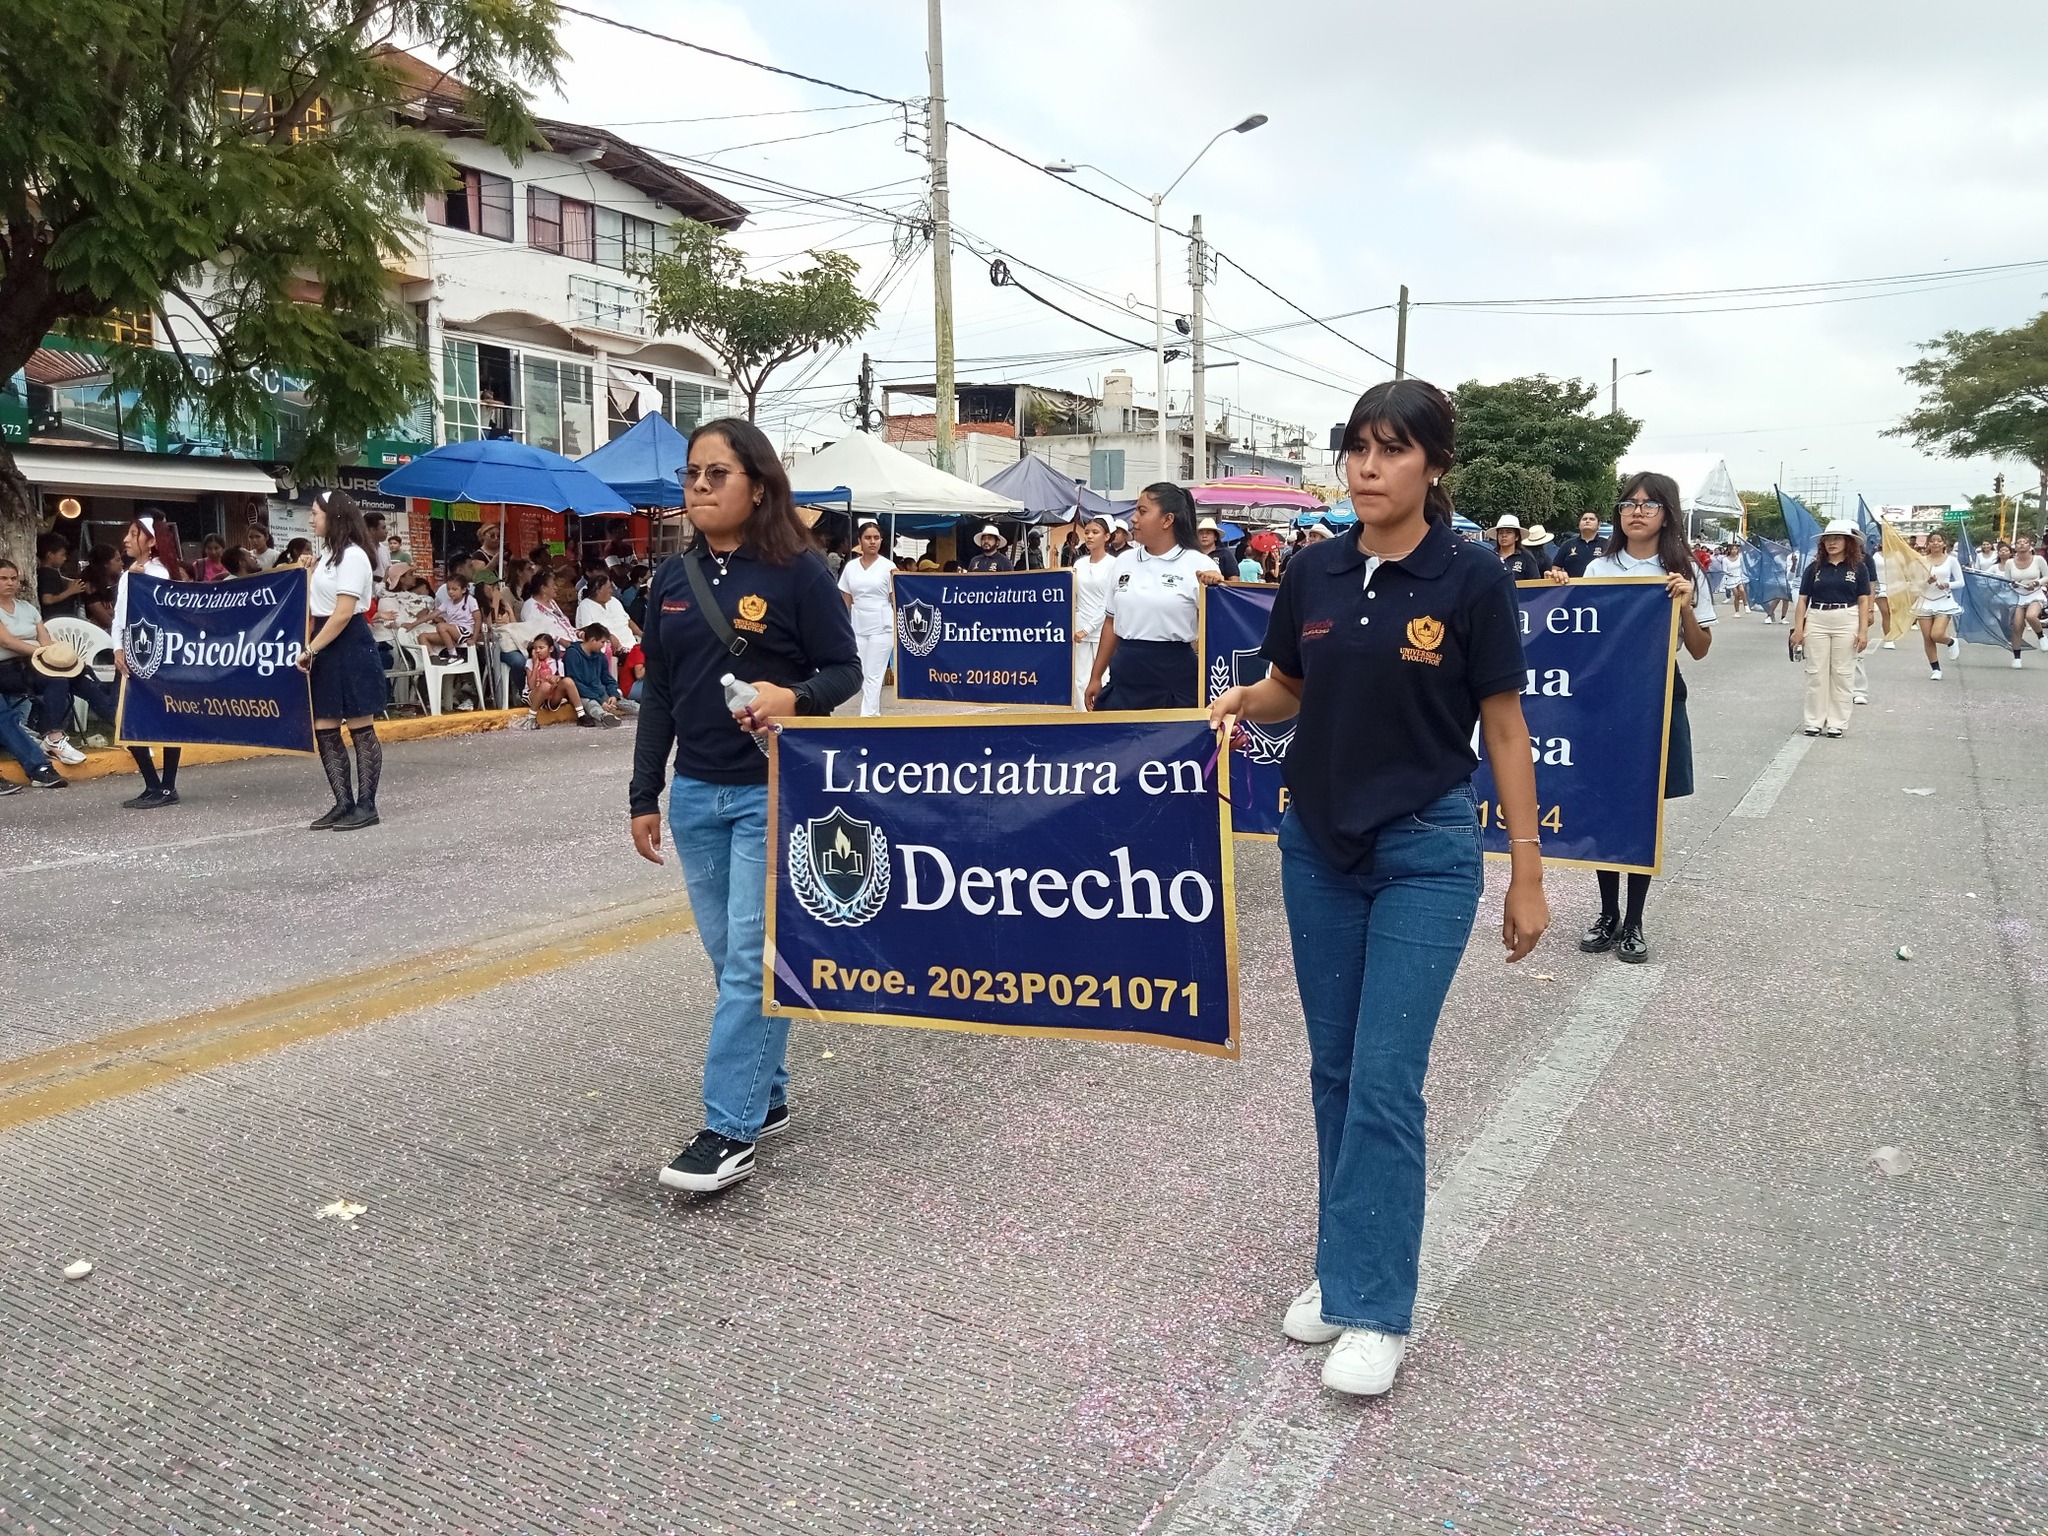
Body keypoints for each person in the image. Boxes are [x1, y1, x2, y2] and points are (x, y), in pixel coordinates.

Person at [1208, 379, 1549, 1399]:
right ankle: (1343, 1264)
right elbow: (1290, 690)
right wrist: (1240, 699)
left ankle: (1375, 1306)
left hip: (1425, 852)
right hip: (1314, 846)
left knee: (1385, 1080)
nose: (1365, 467)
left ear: (1433, 466)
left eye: (1390, 449)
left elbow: (1502, 728)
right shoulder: (1310, 569)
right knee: (1332, 1073)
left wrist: (1524, 876)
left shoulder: (1470, 577)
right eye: (1355, 447)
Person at [628, 418, 859, 1195]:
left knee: (750, 969)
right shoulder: (668, 582)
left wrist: (789, 695)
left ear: (756, 485)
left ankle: (727, 1130)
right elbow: (657, 694)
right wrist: (644, 793)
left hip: (775, 792)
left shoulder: (801, 573)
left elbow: (844, 672)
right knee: (729, 958)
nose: (697, 487)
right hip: (694, 793)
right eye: (691, 474)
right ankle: (770, 1091)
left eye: (715, 474)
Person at [1571, 473, 1713, 962]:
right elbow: (1577, 638)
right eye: (1629, 503)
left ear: (1667, 513)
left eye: (1649, 504)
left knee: (1643, 811)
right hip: (1603, 701)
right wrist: (1555, 596)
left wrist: (1685, 606)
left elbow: (1699, 649)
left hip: (1657, 696)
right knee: (1606, 807)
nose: (1637, 511)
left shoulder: (1685, 570)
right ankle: (1607, 913)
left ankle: (1634, 923)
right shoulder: (1598, 569)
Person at [294, 491, 387, 831]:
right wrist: (306, 574)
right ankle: (343, 802)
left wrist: (311, 649)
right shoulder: (328, 555)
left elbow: (344, 612)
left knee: (361, 727)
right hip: (324, 641)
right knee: (326, 727)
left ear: (334, 516)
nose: (310, 519)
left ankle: (367, 804)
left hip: (347, 643)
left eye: (315, 513)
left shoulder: (353, 556)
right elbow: (315, 604)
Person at [1085, 483, 1223, 711]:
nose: (1134, 518)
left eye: (1142, 511)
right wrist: (1096, 676)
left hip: (1173, 677)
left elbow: (1220, 630)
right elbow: (1111, 622)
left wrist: (1217, 587)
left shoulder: (1199, 565)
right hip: (1125, 673)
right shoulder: (1124, 562)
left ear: (1167, 520)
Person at [111, 515, 190, 807]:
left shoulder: (159, 574)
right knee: (125, 720)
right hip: (131, 655)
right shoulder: (131, 573)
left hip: (158, 657)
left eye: (134, 534)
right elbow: (120, 616)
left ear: (152, 541)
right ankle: (152, 784)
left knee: (167, 719)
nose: (127, 539)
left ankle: (167, 786)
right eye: (129, 533)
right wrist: (117, 647)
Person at [0, 558, 84, 781]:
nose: (9, 583)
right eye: (3, 578)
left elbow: (44, 638)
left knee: (64, 675)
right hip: (7, 668)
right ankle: (39, 767)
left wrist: (53, 655)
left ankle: (53, 736)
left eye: (13, 578)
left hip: (30, 664)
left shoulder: (27, 608)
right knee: (4, 717)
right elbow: (7, 642)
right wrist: (39, 651)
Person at [1789, 520, 1873, 737]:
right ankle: (1814, 721)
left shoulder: (1858, 568)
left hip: (1847, 618)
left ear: (1848, 542)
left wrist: (1863, 631)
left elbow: (1864, 600)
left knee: (1843, 673)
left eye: (1837, 539)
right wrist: (1799, 629)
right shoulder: (1814, 568)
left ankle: (1837, 723)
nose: (1832, 543)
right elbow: (1802, 601)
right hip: (1817, 617)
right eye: (1828, 539)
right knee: (1815, 671)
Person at [837, 519, 895, 716]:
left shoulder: (889, 566)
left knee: (874, 674)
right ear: (860, 541)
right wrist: (844, 627)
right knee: (860, 672)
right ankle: (873, 713)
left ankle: (868, 716)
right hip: (858, 625)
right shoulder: (851, 567)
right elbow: (846, 599)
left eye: (876, 538)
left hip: (882, 626)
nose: (872, 542)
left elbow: (895, 597)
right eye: (868, 538)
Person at [1069, 513, 1118, 710]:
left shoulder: (1114, 565)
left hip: (1103, 630)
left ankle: (1101, 718)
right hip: (1079, 629)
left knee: (1103, 677)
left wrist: (1088, 628)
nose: (1089, 536)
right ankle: (1081, 720)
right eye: (1087, 532)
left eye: (1095, 532)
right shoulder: (1079, 564)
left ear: (1107, 537)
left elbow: (1108, 603)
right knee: (1079, 679)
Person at [1915, 530, 1964, 680]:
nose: (1935, 543)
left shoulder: (1951, 560)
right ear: (1928, 544)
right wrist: (1926, 582)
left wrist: (1947, 584)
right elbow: (1915, 584)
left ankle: (1950, 641)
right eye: (1932, 541)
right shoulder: (1921, 561)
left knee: (1936, 634)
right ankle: (1935, 669)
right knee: (1927, 637)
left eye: (1938, 540)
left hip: (1944, 602)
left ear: (1944, 543)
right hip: (1925, 601)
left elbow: (1961, 582)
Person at [563, 624, 634, 722]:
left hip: (600, 693)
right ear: (592, 640)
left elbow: (608, 679)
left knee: (625, 703)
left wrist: (613, 694)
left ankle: (647, 712)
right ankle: (604, 717)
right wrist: (600, 700)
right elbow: (576, 682)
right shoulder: (572, 654)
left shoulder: (600, 656)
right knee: (591, 704)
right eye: (602, 642)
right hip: (582, 695)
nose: (603, 645)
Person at [1999, 534, 2047, 665]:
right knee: (2017, 626)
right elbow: (2007, 581)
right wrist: (2013, 584)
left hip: (2035, 594)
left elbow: (2046, 576)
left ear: (2030, 546)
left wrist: (2036, 583)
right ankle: (2017, 658)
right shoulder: (2009, 563)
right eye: (2018, 543)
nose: (2021, 544)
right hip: (2018, 596)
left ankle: (2041, 636)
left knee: (2031, 616)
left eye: (2024, 542)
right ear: (2015, 547)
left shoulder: (2038, 559)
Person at [35, 534, 87, 620]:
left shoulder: (48, 572)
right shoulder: (48, 574)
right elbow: (47, 599)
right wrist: (70, 591)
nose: (65, 558)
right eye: (62, 555)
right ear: (50, 555)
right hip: (54, 618)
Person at [521, 570, 579, 645]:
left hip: (573, 642)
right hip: (557, 648)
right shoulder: (530, 607)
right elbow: (534, 632)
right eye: (553, 585)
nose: (556, 588)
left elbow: (563, 622)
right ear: (543, 588)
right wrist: (559, 640)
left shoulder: (551, 602)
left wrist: (578, 632)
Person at [1492, 515, 1544, 582]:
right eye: (1501, 532)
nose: (1504, 535)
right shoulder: (1491, 556)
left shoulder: (1526, 557)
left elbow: (1535, 584)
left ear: (1517, 537)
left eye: (1508, 532)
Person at [1553, 512, 1603, 579]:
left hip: (1600, 587)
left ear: (1598, 525)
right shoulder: (1567, 545)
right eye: (1584, 519)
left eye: (1591, 519)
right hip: (1572, 587)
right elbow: (1556, 568)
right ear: (1579, 524)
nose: (1587, 521)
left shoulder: (1607, 545)